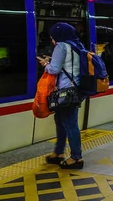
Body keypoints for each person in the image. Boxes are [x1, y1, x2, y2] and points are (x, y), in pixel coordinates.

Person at [39, 23, 84, 169]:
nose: (52, 40)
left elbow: (54, 69)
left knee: (70, 124)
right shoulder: (76, 45)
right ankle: (58, 153)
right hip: (75, 89)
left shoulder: (62, 46)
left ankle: (76, 158)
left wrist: (46, 63)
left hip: (66, 92)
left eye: (53, 37)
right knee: (60, 120)